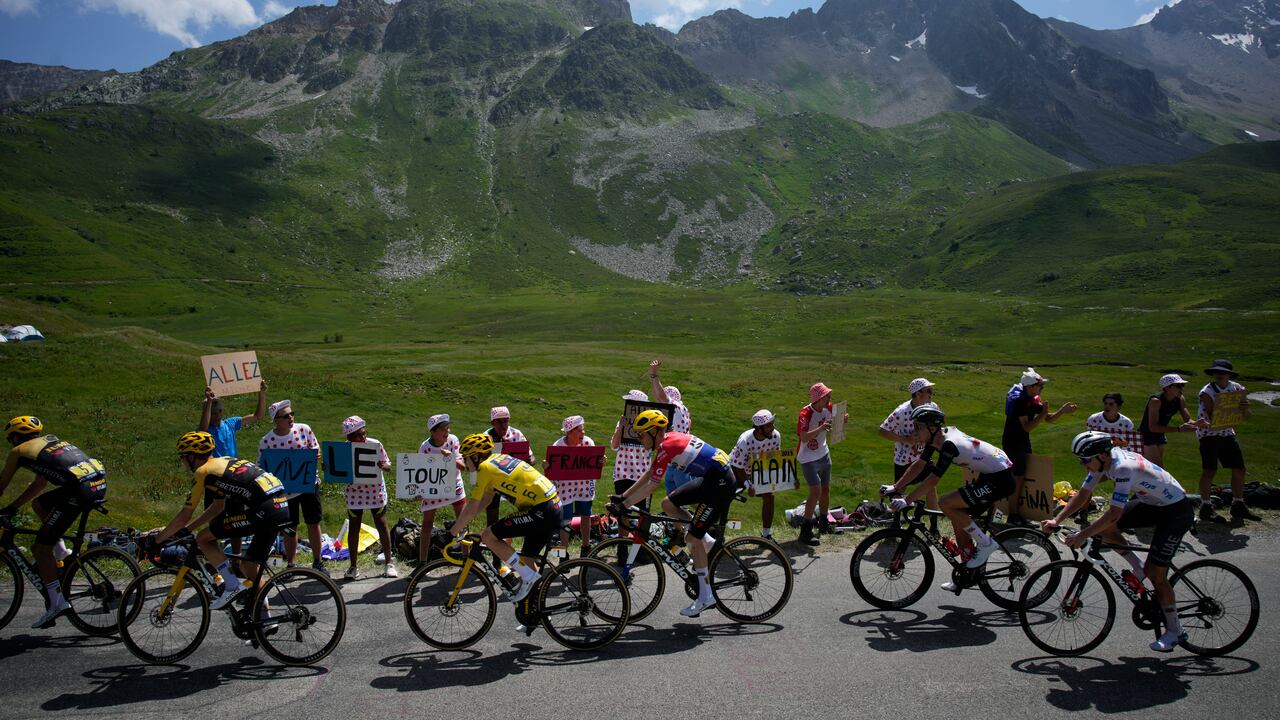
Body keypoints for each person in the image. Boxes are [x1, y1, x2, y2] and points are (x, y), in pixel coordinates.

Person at [1044, 431, 1195, 652]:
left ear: (1102, 455)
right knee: (1108, 531)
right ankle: (1138, 568)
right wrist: (1056, 518)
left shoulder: (1122, 468)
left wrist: (1082, 535)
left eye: (1085, 460)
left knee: (1157, 575)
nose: (1082, 464)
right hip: (1152, 503)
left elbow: (1114, 513)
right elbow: (1083, 495)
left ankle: (1175, 631)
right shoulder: (1103, 461)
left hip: (1175, 511)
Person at [609, 410, 738, 618]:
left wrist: (625, 506)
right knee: (668, 503)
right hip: (712, 478)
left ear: (653, 432)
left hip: (720, 484)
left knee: (691, 539)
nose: (640, 440)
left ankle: (706, 596)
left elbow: (652, 485)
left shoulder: (667, 445)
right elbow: (651, 472)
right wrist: (623, 497)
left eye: (642, 435)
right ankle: (706, 541)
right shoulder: (666, 442)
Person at [150, 431, 289, 611]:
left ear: (193, 456)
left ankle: (231, 586)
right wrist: (186, 529)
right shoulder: (223, 463)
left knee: (203, 538)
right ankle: (266, 622)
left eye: (183, 457)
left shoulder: (203, 471)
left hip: (265, 510)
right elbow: (217, 507)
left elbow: (185, 514)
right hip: (280, 507)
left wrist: (157, 541)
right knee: (249, 566)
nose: (183, 462)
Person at [881, 404, 1016, 586]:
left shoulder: (949, 445)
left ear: (932, 427)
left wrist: (907, 500)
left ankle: (985, 543)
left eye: (919, 427)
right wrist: (896, 487)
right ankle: (966, 573)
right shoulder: (935, 439)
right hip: (989, 474)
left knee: (945, 502)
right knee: (957, 517)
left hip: (1000, 478)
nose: (915, 432)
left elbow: (932, 481)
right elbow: (919, 465)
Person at [0, 416, 108, 628]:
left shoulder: (19, 452)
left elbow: (0, 486)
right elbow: (39, 485)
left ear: (15, 437)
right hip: (96, 484)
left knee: (39, 549)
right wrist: (12, 507)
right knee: (40, 504)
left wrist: (8, 506)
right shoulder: (51, 442)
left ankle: (57, 603)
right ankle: (61, 552)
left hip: (79, 491)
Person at [449, 434, 561, 602]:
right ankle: (536, 612)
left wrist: (452, 532)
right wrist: (461, 524)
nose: (465, 462)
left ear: (476, 455)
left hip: (542, 510)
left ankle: (528, 578)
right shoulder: (497, 460)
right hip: (552, 506)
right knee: (527, 560)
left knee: (488, 536)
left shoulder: (485, 468)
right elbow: (485, 500)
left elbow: (472, 507)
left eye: (466, 457)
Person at [199, 381, 268, 563]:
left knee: (235, 520)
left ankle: (236, 558)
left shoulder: (230, 424)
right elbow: (203, 428)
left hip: (234, 480)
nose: (217, 416)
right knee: (215, 522)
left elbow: (257, 416)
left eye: (219, 412)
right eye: (213, 413)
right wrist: (207, 402)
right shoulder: (206, 431)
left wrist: (261, 394)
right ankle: (217, 559)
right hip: (215, 480)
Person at [259, 399, 327, 576]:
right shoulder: (267, 441)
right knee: (290, 527)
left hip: (308, 485)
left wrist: (316, 454)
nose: (291, 418)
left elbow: (315, 447)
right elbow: (262, 466)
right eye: (286, 415)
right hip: (285, 492)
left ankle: (318, 561)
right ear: (276, 420)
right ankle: (291, 564)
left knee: (313, 522)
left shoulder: (304, 429)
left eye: (292, 414)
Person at [1002, 368, 1077, 527]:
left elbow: (1048, 418)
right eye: (1040, 386)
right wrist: (1042, 415)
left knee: (1023, 476)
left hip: (1021, 441)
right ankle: (1013, 515)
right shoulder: (1020, 401)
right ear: (1030, 387)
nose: (1042, 389)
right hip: (1013, 442)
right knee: (1018, 477)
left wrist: (1062, 411)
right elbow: (1027, 427)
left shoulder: (1030, 398)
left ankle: (1019, 512)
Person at [1195, 359, 1258, 523]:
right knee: (1210, 470)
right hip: (1209, 434)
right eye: (1216, 372)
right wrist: (1234, 409)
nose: (1219, 375)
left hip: (1227, 433)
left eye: (1222, 373)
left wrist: (1244, 409)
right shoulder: (1207, 392)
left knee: (1239, 468)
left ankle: (1238, 503)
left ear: (1229, 375)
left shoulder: (1237, 389)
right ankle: (1206, 506)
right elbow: (1213, 415)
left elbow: (1246, 415)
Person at [339, 416, 395, 581]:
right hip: (354, 492)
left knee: (381, 524)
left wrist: (383, 466)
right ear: (350, 437)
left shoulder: (374, 444)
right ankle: (353, 566)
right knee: (354, 527)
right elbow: (338, 470)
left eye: (364, 434)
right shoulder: (344, 449)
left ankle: (389, 562)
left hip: (374, 490)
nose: (363, 438)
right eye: (358, 436)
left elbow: (388, 464)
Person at [796, 382, 847, 546]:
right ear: (818, 398)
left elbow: (836, 420)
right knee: (815, 491)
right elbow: (803, 437)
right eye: (826, 395)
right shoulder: (805, 413)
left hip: (823, 454)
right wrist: (822, 428)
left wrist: (842, 420)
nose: (829, 398)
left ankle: (824, 523)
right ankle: (805, 530)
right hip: (808, 458)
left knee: (825, 489)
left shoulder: (829, 407)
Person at [878, 378, 939, 510]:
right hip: (904, 458)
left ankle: (935, 519)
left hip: (923, 455)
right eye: (929, 391)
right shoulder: (901, 412)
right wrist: (905, 439)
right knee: (899, 490)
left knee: (930, 485)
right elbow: (883, 431)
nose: (931, 394)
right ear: (918, 394)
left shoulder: (933, 407)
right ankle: (892, 519)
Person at [417, 414, 468, 563]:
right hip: (433, 488)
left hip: (453, 485)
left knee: (463, 521)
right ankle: (422, 562)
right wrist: (419, 490)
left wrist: (450, 457)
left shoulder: (453, 440)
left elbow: (463, 467)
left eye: (448, 428)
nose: (447, 432)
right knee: (427, 524)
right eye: (443, 429)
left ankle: (466, 558)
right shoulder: (425, 447)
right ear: (433, 431)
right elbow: (420, 470)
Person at [545, 415, 598, 555]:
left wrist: (600, 462)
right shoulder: (558, 446)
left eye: (583, 429)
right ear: (569, 432)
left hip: (584, 484)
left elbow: (594, 465)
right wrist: (547, 467)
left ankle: (586, 547)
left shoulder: (588, 442)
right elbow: (550, 472)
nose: (583, 433)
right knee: (565, 520)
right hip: (565, 486)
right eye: (579, 430)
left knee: (586, 515)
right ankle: (562, 552)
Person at [729, 410, 783, 540]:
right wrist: (748, 485)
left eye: (772, 424)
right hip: (738, 470)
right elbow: (737, 466)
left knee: (770, 496)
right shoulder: (745, 440)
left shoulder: (775, 436)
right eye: (769, 425)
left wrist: (788, 480)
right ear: (759, 428)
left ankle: (766, 534)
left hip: (759, 470)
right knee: (725, 495)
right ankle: (716, 529)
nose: (773, 428)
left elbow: (775, 459)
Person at [649, 359, 694, 494]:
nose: (658, 400)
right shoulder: (683, 410)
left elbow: (662, 397)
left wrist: (654, 375)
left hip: (679, 460)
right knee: (674, 500)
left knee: (682, 498)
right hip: (675, 459)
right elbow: (659, 397)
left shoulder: (675, 406)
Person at [1138, 374, 1201, 467]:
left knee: (1154, 469)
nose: (1182, 389)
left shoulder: (1180, 399)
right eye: (1179, 386)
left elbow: (1188, 420)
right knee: (1158, 469)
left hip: (1160, 435)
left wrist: (1198, 424)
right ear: (1167, 388)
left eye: (1182, 385)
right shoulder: (1156, 401)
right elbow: (1152, 427)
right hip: (1146, 436)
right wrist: (1178, 429)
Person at [484, 406, 529, 526]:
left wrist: (525, 457)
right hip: (494, 480)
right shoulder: (485, 438)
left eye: (506, 421)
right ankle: (491, 536)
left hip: (514, 480)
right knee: (492, 503)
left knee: (524, 508)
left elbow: (531, 458)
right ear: (493, 423)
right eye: (500, 422)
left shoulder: (516, 434)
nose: (504, 425)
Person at [610, 390, 652, 511]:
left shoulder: (651, 424)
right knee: (622, 511)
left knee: (643, 511)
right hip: (623, 473)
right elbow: (614, 446)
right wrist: (621, 428)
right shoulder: (622, 422)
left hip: (643, 474)